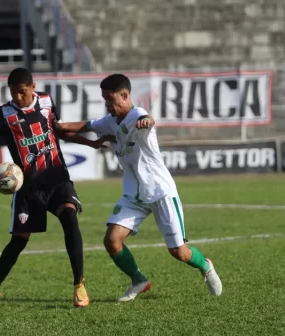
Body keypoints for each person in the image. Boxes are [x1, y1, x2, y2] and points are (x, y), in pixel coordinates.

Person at [55, 74, 223, 302]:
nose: (107, 103)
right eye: (104, 99)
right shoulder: (109, 120)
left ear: (124, 96)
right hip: (134, 194)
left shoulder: (138, 116)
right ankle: (138, 280)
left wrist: (148, 121)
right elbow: (80, 126)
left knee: (179, 252)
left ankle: (206, 265)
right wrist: (56, 125)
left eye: (109, 98)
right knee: (112, 240)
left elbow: (148, 119)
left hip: (160, 192)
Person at [0, 67, 109, 308]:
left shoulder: (46, 102)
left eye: (21, 92)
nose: (17, 97)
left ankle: (79, 284)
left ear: (32, 87)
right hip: (28, 188)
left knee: (70, 218)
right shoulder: (4, 114)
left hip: (57, 179)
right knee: (19, 241)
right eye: (13, 93)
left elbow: (57, 131)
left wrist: (90, 143)